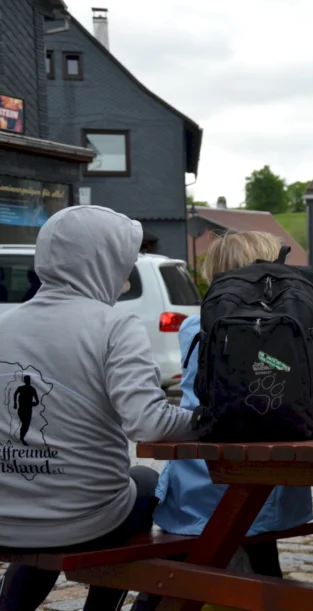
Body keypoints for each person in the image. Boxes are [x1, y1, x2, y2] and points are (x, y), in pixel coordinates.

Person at [0, 205, 196, 611]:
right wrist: (207, 422)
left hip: (5, 518)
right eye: (121, 265)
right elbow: (149, 423)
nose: (125, 280)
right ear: (100, 263)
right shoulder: (113, 325)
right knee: (147, 481)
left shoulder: (5, 325)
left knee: (46, 513)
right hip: (88, 519)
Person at [145, 231, 313, 582]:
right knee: (262, 562)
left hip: (200, 485)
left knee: (180, 571)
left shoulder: (197, 326)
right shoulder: (295, 330)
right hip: (275, 491)